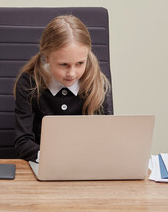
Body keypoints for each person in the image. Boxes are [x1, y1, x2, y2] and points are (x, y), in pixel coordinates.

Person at [13, 15, 113, 161]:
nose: (72, 73)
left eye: (80, 63)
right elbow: (23, 142)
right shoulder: (29, 84)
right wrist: (55, 159)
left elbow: (106, 139)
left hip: (87, 165)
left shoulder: (97, 83)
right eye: (63, 65)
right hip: (44, 164)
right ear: (46, 56)